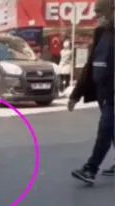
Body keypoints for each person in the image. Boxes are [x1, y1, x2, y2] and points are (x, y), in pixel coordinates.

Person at [69, 0, 114, 185]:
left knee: (105, 128)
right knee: (111, 129)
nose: (97, 16)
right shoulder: (100, 32)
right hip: (103, 92)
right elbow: (90, 64)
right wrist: (75, 94)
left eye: (100, 12)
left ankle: (90, 169)